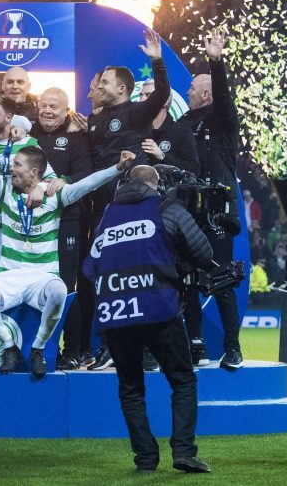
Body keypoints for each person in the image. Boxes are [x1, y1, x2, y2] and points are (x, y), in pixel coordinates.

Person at [0, 124, 134, 376]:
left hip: (42, 277)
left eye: (17, 165)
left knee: (60, 289)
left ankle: (38, 348)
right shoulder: (4, 190)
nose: (11, 168)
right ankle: (9, 346)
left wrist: (117, 168)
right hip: (10, 276)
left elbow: (88, 184)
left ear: (34, 172)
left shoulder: (56, 197)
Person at [83, 165, 214, 474]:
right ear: (157, 185)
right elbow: (203, 253)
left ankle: (145, 460)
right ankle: (183, 452)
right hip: (158, 309)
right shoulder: (167, 208)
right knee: (182, 380)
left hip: (116, 314)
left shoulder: (108, 216)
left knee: (130, 388)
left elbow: (90, 268)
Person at [85, 28, 168, 369]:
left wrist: (157, 59)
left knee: (139, 276)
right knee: (106, 278)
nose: (99, 86)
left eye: (104, 82)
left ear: (121, 88)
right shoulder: (93, 120)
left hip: (133, 210)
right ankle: (108, 346)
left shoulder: (135, 113)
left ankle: (149, 350)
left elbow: (161, 92)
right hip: (103, 209)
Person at [177, 29, 244, 370]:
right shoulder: (184, 122)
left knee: (221, 280)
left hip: (216, 214)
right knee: (186, 279)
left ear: (205, 94)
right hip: (186, 214)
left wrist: (215, 62)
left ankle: (233, 348)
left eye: (191, 88)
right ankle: (195, 345)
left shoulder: (222, 120)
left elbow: (225, 96)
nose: (186, 92)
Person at [31, 87, 95, 370]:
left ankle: (72, 350)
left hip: (68, 221)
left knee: (67, 286)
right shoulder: (26, 135)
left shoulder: (76, 140)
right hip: (32, 224)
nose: (47, 111)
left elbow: (87, 173)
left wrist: (65, 180)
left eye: (53, 107)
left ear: (65, 111)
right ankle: (42, 348)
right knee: (36, 286)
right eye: (43, 105)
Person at [0, 95, 52, 281]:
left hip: (14, 227)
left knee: (11, 285)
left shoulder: (27, 143)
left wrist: (41, 187)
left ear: (9, 117)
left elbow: (51, 177)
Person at [137, 80, 199, 174]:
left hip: (168, 187)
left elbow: (193, 169)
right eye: (140, 95)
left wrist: (163, 156)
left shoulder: (182, 133)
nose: (141, 100)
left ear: (165, 101)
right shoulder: (133, 130)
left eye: (148, 95)